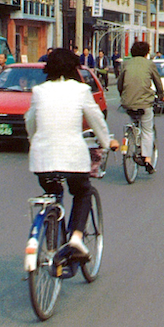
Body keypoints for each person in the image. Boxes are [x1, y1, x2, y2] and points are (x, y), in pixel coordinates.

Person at [26, 48, 119, 261]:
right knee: (82, 191)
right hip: (73, 160)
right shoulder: (81, 90)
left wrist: (35, 143)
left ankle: (51, 237)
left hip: (42, 160)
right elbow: (96, 120)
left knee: (53, 190)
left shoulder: (39, 90)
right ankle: (76, 238)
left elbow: (30, 122)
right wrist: (107, 142)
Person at [117, 41, 164, 174]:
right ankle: (147, 159)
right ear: (146, 53)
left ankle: (132, 137)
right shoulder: (149, 64)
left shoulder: (126, 64)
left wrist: (123, 96)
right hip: (145, 103)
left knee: (133, 119)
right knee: (147, 130)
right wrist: (161, 95)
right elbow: (158, 82)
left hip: (128, 102)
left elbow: (120, 83)